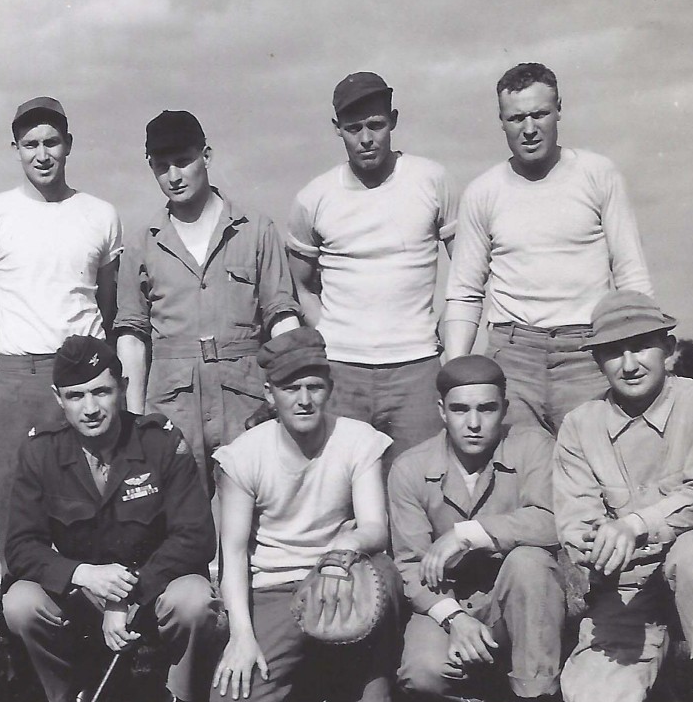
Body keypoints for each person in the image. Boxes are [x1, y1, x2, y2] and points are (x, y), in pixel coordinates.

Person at [555, 291, 693, 702]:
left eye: (641, 346)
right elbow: (575, 521)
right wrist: (593, 543)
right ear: (597, 361)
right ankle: (655, 674)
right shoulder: (580, 425)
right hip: (625, 590)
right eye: (613, 352)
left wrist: (633, 526)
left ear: (669, 348)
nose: (629, 364)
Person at [2, 336, 220, 702]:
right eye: (75, 396)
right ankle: (71, 698)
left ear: (122, 387)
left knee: (195, 599)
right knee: (20, 602)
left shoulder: (160, 442)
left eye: (101, 392)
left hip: (153, 590)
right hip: (83, 595)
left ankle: (178, 699)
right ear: (58, 398)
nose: (90, 409)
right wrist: (83, 574)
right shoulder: (41, 452)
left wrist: (126, 592)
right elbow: (20, 546)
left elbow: (196, 536)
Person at [443, 63, 653, 433]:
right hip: (512, 356)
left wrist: (641, 350)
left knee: (594, 459)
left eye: (539, 114)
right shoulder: (482, 192)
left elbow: (631, 274)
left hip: (588, 352)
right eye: (516, 118)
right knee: (519, 464)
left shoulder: (598, 174)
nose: (529, 129)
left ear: (558, 109)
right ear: (501, 121)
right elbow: (464, 292)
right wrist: (456, 375)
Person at [210, 326, 399, 702]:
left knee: (383, 571)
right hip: (273, 588)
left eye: (314, 387)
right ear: (269, 394)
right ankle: (308, 678)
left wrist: (340, 551)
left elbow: (374, 527)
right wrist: (241, 635)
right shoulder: (244, 455)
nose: (304, 399)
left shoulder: (358, 440)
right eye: (291, 388)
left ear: (329, 389)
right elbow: (234, 554)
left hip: (339, 576)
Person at [0, 97, 123, 562]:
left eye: (51, 142)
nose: (42, 154)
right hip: (19, 376)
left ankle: (100, 593)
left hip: (86, 376)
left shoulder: (100, 214)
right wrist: (8, 359)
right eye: (30, 144)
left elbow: (107, 303)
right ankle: (21, 593)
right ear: (15, 149)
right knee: (15, 497)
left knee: (97, 489)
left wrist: (89, 365)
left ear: (68, 144)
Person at [115, 110, 300, 488]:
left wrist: (290, 393)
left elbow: (282, 318)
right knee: (177, 514)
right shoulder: (141, 244)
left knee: (256, 507)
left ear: (207, 156)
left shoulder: (255, 230)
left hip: (246, 399)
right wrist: (134, 421)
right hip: (172, 404)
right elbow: (132, 338)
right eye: (162, 166)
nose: (174, 176)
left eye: (183, 161)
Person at [388, 355, 565, 702]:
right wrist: (455, 619)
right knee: (422, 674)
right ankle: (491, 690)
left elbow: (553, 521)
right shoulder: (410, 468)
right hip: (449, 597)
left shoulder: (534, 446)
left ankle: (536, 699)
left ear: (505, 408)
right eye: (459, 409)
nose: (473, 423)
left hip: (516, 598)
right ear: (441, 410)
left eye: (486, 408)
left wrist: (468, 533)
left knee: (530, 560)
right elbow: (409, 565)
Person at [286, 73, 455, 461]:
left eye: (376, 125)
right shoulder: (314, 197)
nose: (366, 138)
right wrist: (329, 336)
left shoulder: (432, 180)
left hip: (417, 368)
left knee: (421, 479)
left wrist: (445, 328)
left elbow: (466, 270)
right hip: (342, 372)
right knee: (342, 482)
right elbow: (301, 286)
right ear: (337, 129)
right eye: (353, 128)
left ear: (392, 120)